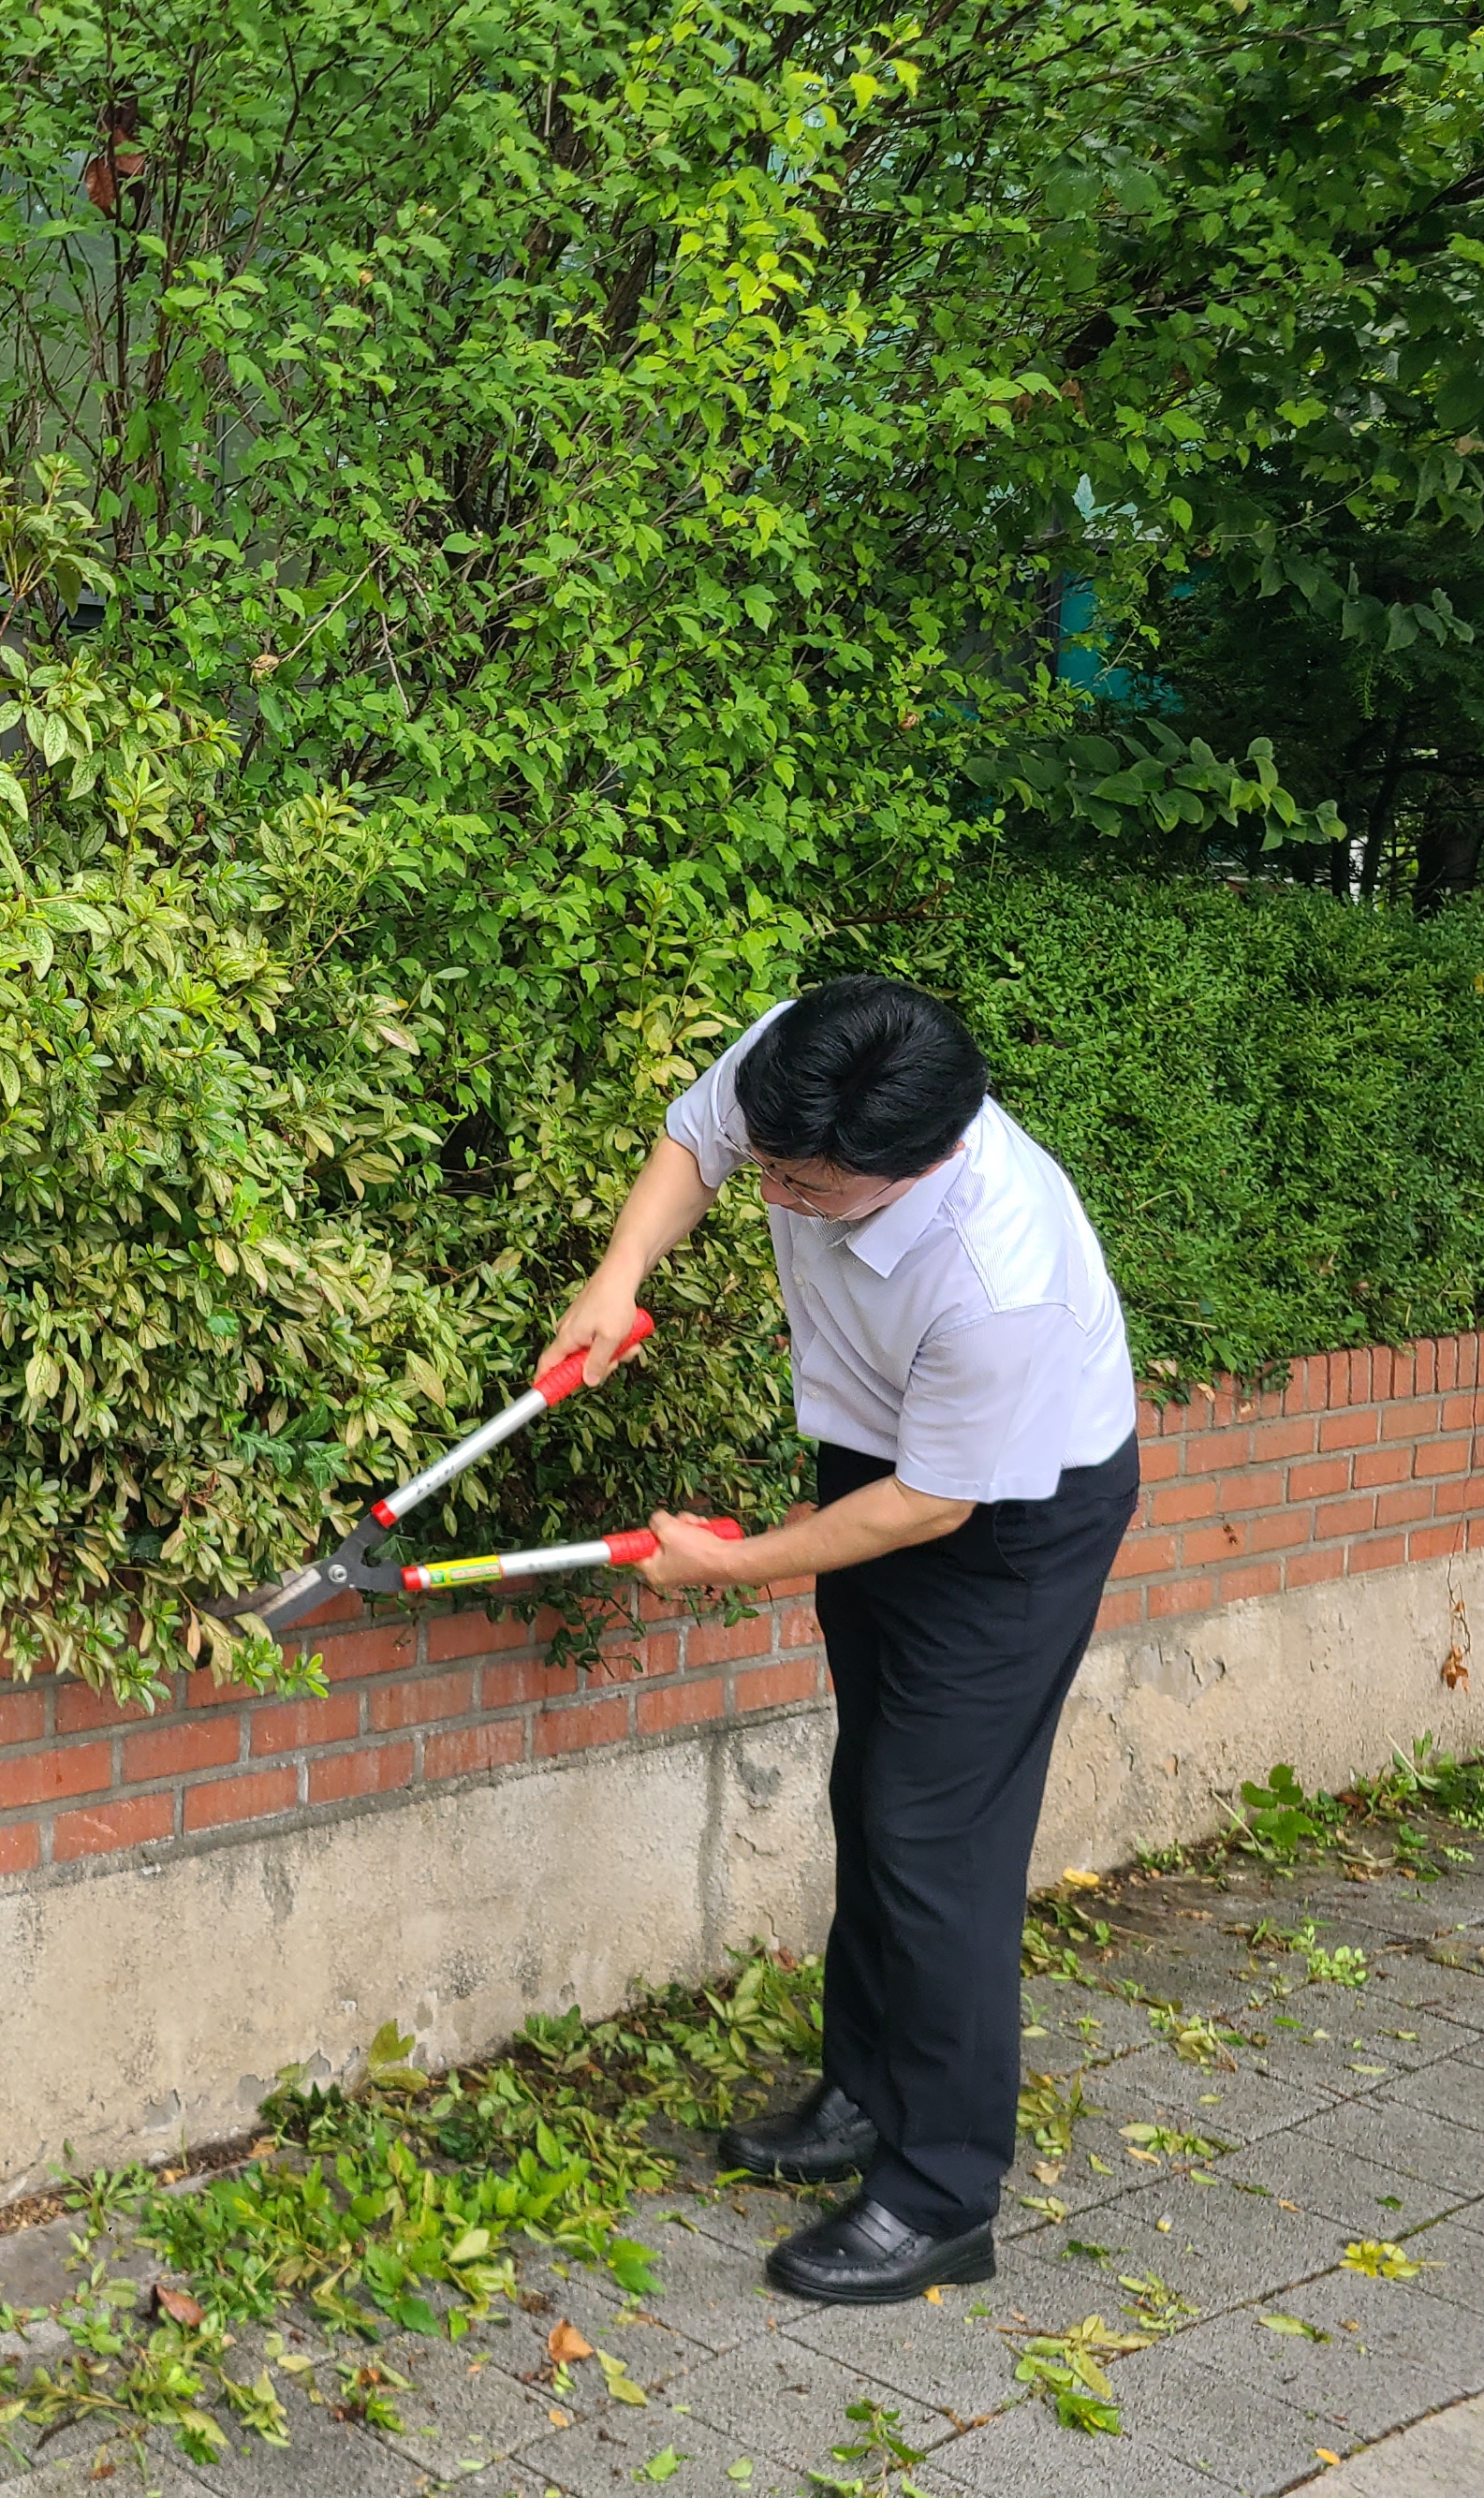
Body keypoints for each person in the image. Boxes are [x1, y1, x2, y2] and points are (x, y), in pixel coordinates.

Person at [543, 975, 1138, 2306]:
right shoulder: (817, 1060)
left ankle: (942, 2197)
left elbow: (936, 1503)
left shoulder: (1003, 1274)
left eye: (804, 1192)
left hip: (1003, 1522)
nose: (771, 1201)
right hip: (876, 1463)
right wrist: (617, 1276)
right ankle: (867, 2093)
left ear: (912, 1167)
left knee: (939, 1845)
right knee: (873, 1795)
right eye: (775, 1171)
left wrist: (732, 1566)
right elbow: (699, 1141)